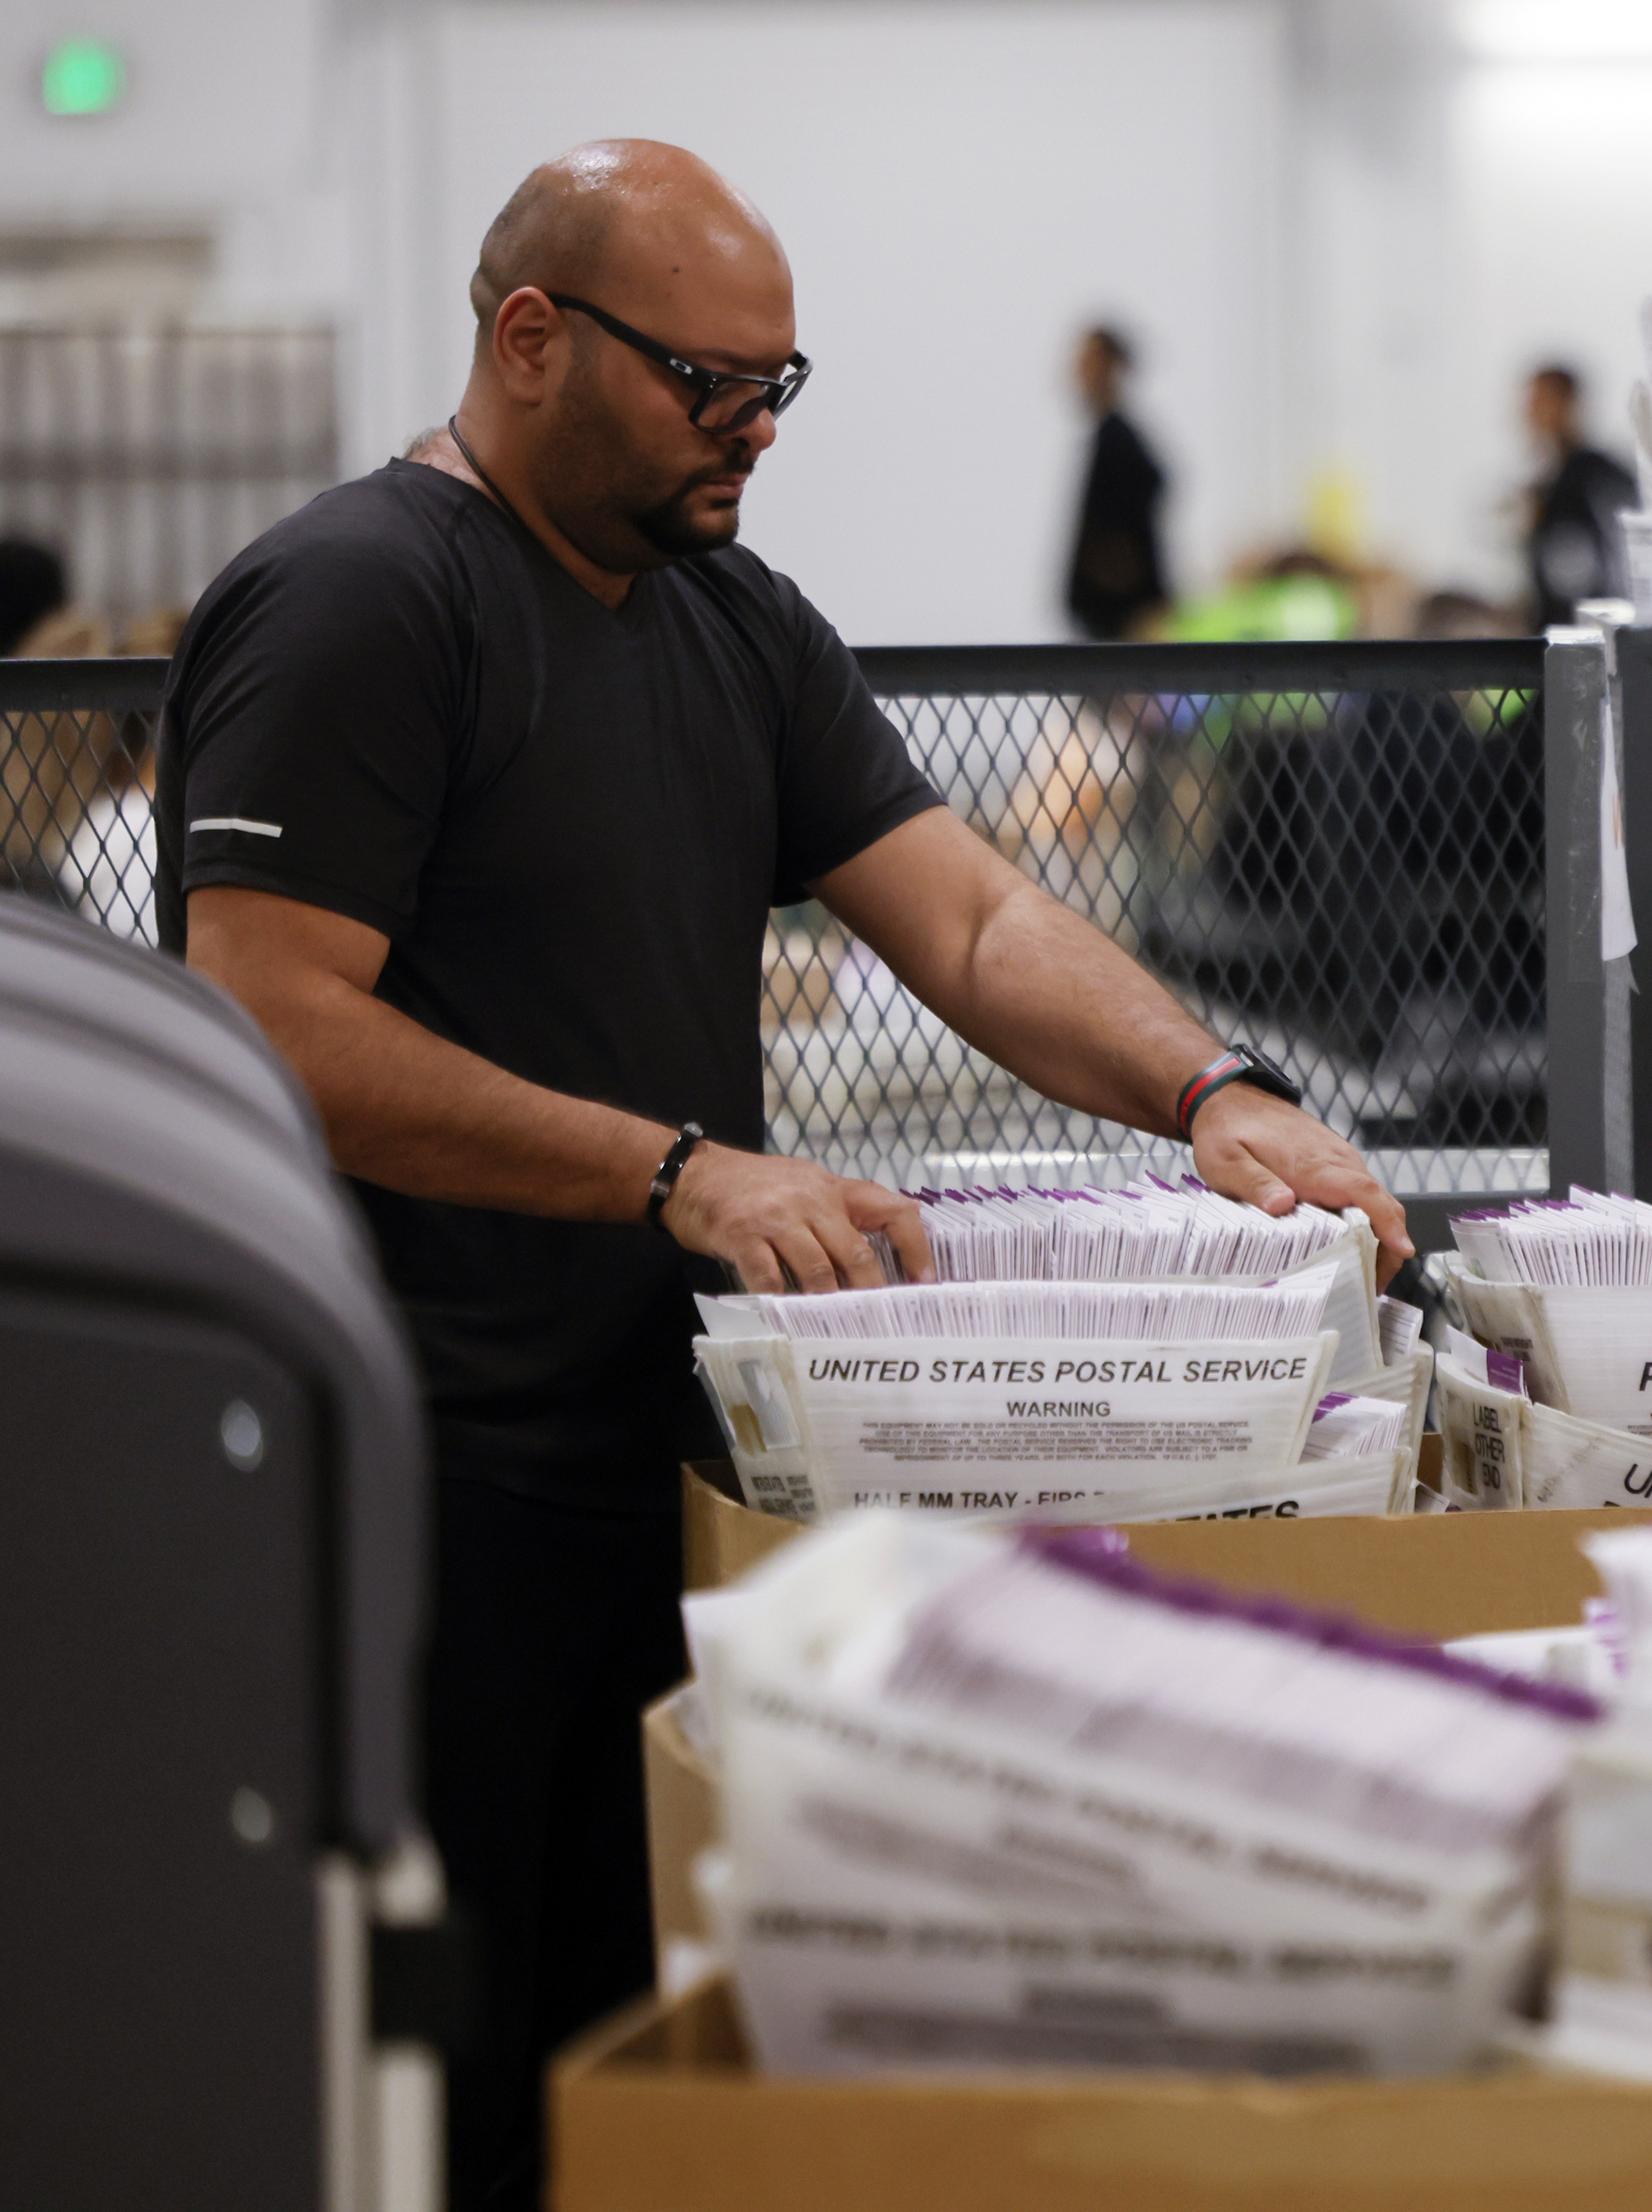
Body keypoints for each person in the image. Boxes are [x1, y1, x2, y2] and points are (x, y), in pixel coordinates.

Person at [153, 141, 1412, 2212]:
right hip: (421, 1482)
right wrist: (678, 1172)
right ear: (530, 339)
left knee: (635, 2048)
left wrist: (1212, 1091)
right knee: (448, 2085)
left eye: (776, 386)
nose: (748, 434)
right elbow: (274, 1022)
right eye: (702, 385)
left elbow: (976, 923)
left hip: (657, 1472)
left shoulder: (728, 616)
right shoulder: (367, 600)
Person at [1065, 322, 1169, 639]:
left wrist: (1116, 565)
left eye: (1089, 362)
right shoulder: (1110, 439)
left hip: (1124, 631)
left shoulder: (1119, 442)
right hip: (1110, 630)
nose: (1079, 373)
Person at [1521, 363, 1636, 630]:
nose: (1529, 413)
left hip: (1584, 635)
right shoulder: (1551, 481)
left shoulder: (1590, 477)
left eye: (1539, 401)